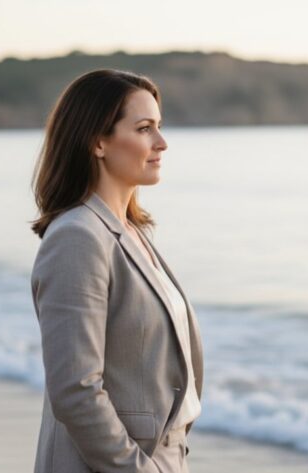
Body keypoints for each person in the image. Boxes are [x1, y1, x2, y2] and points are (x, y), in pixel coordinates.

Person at [29, 69, 204, 473]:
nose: (161, 142)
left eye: (159, 126)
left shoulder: (130, 232)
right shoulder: (78, 237)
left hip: (162, 456)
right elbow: (76, 390)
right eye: (144, 129)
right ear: (98, 142)